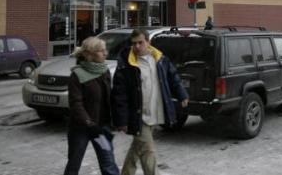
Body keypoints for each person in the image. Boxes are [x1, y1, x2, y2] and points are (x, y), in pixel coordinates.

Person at [112, 29, 189, 175]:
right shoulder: (126, 65)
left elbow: (173, 77)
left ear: (148, 42)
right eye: (134, 43)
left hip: (155, 111)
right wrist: (122, 120)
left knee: (138, 147)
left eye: (140, 42)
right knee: (148, 150)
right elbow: (119, 95)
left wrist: (182, 94)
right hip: (138, 115)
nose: (137, 46)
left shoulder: (159, 59)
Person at [64, 37, 119, 175]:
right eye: (101, 51)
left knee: (109, 164)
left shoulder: (104, 71)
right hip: (81, 129)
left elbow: (108, 99)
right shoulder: (77, 75)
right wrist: (89, 123)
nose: (105, 53)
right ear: (90, 54)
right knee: (74, 164)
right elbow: (76, 104)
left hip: (101, 128)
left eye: (105, 50)